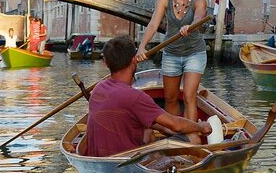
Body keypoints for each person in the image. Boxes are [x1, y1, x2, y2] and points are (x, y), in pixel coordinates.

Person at [84, 35, 212, 158]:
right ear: (134, 60)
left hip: (101, 159)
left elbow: (146, 121)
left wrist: (166, 129)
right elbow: (177, 124)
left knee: (148, 131)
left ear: (106, 62)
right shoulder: (135, 97)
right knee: (193, 138)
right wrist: (201, 126)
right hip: (126, 161)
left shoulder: (98, 89)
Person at [136, 0, 208, 139]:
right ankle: (176, 134)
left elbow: (200, 17)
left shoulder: (199, 1)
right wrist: (142, 47)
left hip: (195, 54)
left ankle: (192, 136)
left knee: (190, 96)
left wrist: (191, 26)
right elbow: (153, 24)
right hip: (171, 53)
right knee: (170, 98)